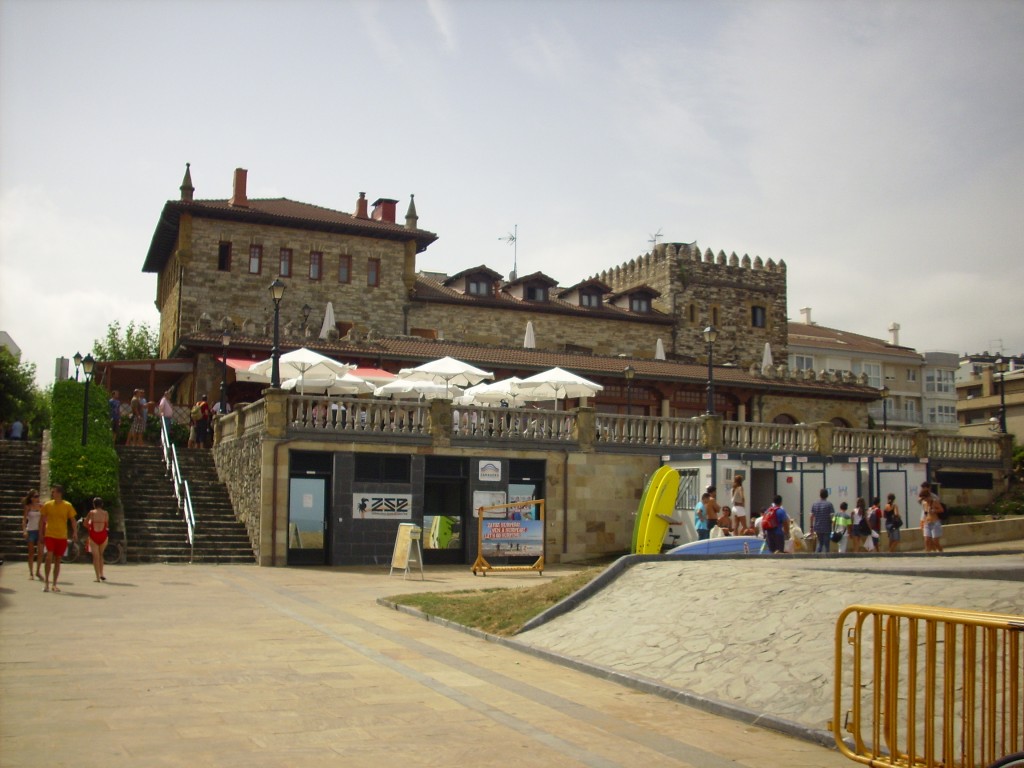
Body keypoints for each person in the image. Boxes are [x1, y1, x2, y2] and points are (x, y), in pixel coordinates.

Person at [38, 484, 78, 593]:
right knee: (48, 557)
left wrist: (75, 532)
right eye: (52, 492)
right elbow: (41, 520)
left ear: (59, 493)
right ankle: (46, 583)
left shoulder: (67, 505)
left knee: (58, 560)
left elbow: (73, 520)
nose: (52, 494)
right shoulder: (48, 505)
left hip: (62, 536)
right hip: (50, 534)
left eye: (54, 492)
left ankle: (54, 584)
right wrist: (40, 533)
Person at [83, 497, 110, 582]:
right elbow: (107, 524)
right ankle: (102, 574)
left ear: (94, 504)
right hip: (103, 535)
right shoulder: (105, 513)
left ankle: (97, 577)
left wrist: (90, 526)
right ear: (102, 504)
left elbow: (85, 523)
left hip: (94, 534)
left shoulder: (91, 512)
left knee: (95, 556)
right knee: (101, 555)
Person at [21, 489, 44, 580]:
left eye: (38, 496)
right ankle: (31, 573)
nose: (37, 498)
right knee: (31, 553)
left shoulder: (41, 506)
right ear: (31, 498)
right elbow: (24, 520)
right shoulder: (28, 507)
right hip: (30, 530)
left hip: (40, 530)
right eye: (35, 496)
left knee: (40, 552)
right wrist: (24, 530)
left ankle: (38, 571)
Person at [809, 489, 835, 554]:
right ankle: (826, 557)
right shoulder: (829, 504)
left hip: (817, 527)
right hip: (827, 527)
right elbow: (832, 517)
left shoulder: (815, 504)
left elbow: (811, 516)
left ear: (820, 495)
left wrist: (811, 527)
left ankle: (817, 555)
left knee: (820, 543)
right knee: (826, 544)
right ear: (827, 495)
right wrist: (833, 527)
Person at [920, 485, 944, 553]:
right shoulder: (924, 503)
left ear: (928, 496)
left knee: (935, 541)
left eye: (925, 498)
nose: (924, 500)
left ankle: (941, 552)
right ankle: (927, 553)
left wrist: (934, 510)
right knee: (927, 540)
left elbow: (941, 510)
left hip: (935, 523)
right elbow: (925, 513)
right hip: (927, 523)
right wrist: (923, 521)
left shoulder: (934, 502)